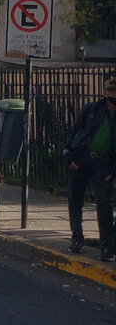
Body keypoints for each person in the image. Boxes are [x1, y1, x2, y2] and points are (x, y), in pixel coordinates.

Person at [63, 78, 116, 260]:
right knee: (75, 200)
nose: (113, 95)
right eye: (111, 91)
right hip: (82, 158)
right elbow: (75, 130)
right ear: (105, 93)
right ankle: (77, 238)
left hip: (104, 163)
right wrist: (68, 153)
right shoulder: (92, 109)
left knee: (104, 204)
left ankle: (107, 247)